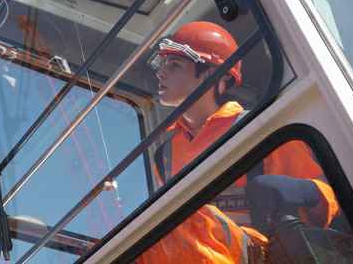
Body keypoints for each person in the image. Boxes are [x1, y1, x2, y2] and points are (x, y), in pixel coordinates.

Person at [136, 21, 339, 264]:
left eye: (175, 65)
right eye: (162, 64)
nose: (161, 73)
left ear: (213, 74)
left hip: (261, 255)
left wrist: (304, 191)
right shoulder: (165, 155)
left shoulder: (259, 128)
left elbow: (331, 199)